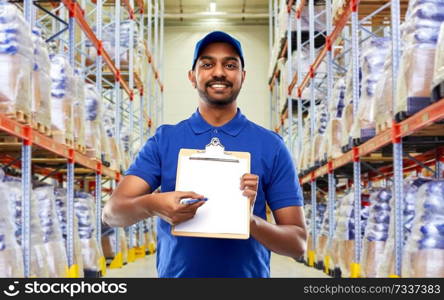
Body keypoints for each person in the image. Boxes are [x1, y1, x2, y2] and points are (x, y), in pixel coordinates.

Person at [102, 31, 307, 278]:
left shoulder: (271, 146)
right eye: (207, 64)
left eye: (230, 65)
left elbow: (297, 243)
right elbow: (112, 214)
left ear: (243, 76)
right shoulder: (165, 140)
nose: (219, 72)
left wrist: (250, 222)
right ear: (192, 76)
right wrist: (153, 205)